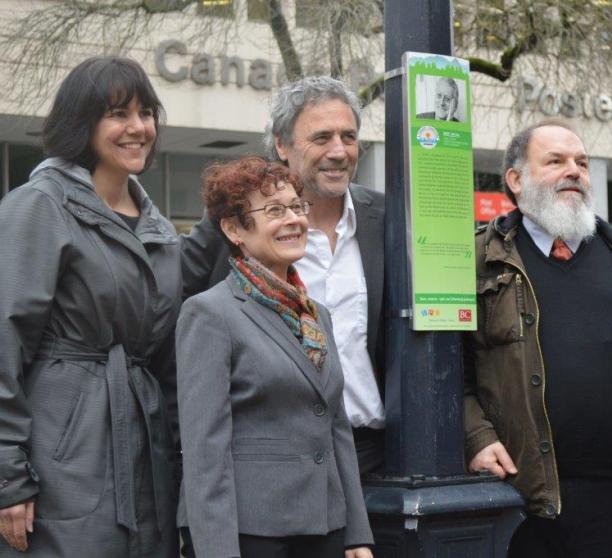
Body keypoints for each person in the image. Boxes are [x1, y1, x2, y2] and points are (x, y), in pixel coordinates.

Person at [464, 118, 612, 558]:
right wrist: (476, 437)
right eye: (556, 161)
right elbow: (446, 369)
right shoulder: (476, 261)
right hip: (516, 502)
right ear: (515, 179)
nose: (574, 171)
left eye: (581, 162)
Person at [0, 56, 180, 556]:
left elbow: (168, 358)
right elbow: (3, 342)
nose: (137, 128)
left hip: (147, 454)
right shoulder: (39, 205)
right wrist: (7, 476)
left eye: (145, 113)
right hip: (63, 456)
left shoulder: (160, 230)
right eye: (118, 113)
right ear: (82, 122)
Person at [181, 76, 386, 474]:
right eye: (322, 137)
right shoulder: (231, 229)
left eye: (349, 136)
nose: (339, 151)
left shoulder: (387, 219)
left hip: (375, 457)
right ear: (281, 144)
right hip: (273, 467)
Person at [176, 156, 373, 558]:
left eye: (297, 207)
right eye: (274, 211)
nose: (294, 220)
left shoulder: (317, 315)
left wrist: (356, 533)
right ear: (234, 229)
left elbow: (336, 428)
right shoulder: (210, 313)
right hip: (252, 532)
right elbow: (205, 449)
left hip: (325, 526)